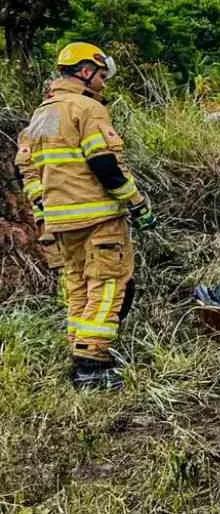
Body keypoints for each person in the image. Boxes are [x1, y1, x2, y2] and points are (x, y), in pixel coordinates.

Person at [15, 42, 156, 390]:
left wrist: (45, 209)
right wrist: (137, 203)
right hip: (98, 218)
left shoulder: (42, 114)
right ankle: (93, 364)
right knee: (109, 284)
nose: (104, 83)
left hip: (60, 222)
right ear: (84, 71)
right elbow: (104, 164)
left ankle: (80, 352)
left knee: (78, 286)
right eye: (101, 75)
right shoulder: (87, 108)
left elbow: (27, 172)